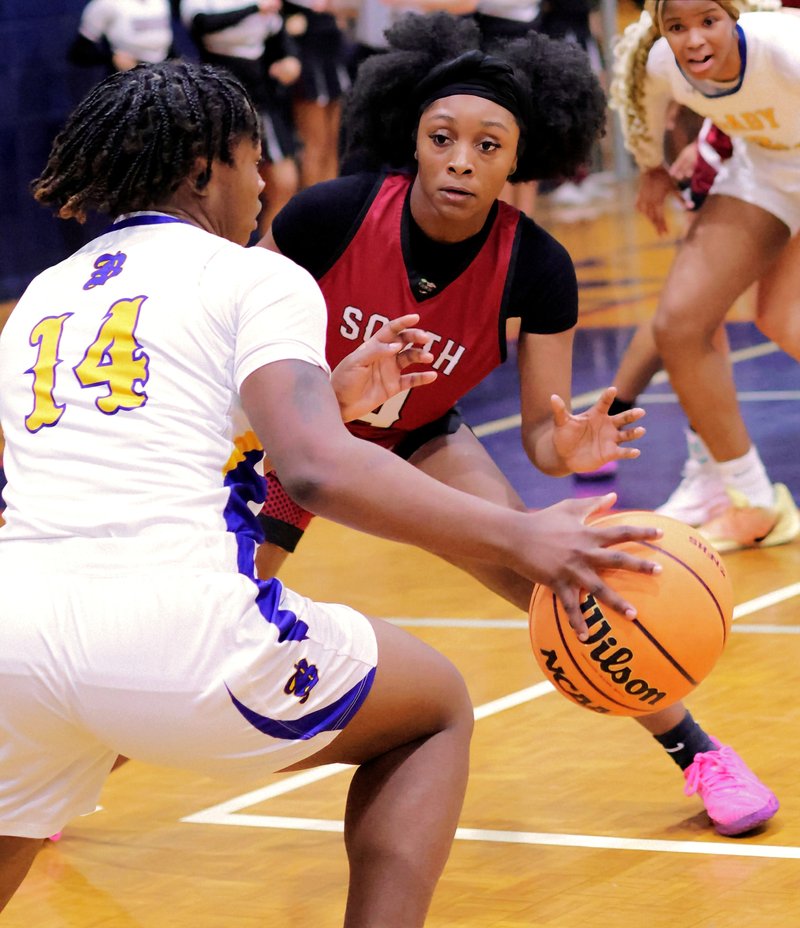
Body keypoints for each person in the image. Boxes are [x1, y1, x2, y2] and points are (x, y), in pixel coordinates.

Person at [0, 59, 666, 918]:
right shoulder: (257, 273)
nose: (267, 179)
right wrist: (520, 536)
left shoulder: (45, 293)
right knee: (434, 710)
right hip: (175, 629)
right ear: (207, 166)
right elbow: (313, 467)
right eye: (253, 156)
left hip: (16, 633)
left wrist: (335, 394)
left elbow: (148, 435)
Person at [255, 11, 779, 837]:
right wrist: (315, 406)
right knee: (205, 602)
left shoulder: (537, 265)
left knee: (558, 577)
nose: (462, 160)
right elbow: (232, 346)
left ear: (519, 160)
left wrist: (562, 445)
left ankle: (700, 753)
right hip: (292, 435)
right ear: (414, 138)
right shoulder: (327, 216)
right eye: (443, 138)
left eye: (488, 145)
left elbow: (543, 429)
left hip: (420, 438)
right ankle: (66, 771)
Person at [608, 0, 800, 553]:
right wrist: (651, 169)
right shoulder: (660, 64)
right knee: (680, 324)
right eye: (677, 27)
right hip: (765, 169)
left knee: (782, 318)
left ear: (735, 16)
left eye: (708, 22)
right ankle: (752, 501)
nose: (692, 40)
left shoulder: (782, 48)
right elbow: (640, 107)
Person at [181, 0, 303, 234]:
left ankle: (269, 257)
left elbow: (279, 36)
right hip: (218, 96)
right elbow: (201, 25)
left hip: (261, 96)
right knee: (223, 190)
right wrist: (255, 9)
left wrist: (290, 59)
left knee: (284, 182)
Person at [68, 0, 175, 72]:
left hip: (161, 71)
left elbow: (160, 38)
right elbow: (79, 52)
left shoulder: (160, 2)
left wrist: (175, 60)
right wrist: (111, 58)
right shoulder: (106, 3)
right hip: (127, 77)